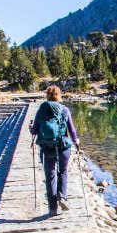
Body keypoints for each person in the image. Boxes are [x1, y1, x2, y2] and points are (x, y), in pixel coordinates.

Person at [30, 85, 80, 215]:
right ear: (59, 95)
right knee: (62, 172)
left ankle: (52, 208)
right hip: (63, 146)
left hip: (47, 146)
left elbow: (34, 130)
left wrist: (32, 128)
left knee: (50, 175)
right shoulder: (64, 109)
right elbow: (72, 129)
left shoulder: (42, 109)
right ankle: (62, 196)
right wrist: (76, 141)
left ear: (47, 95)